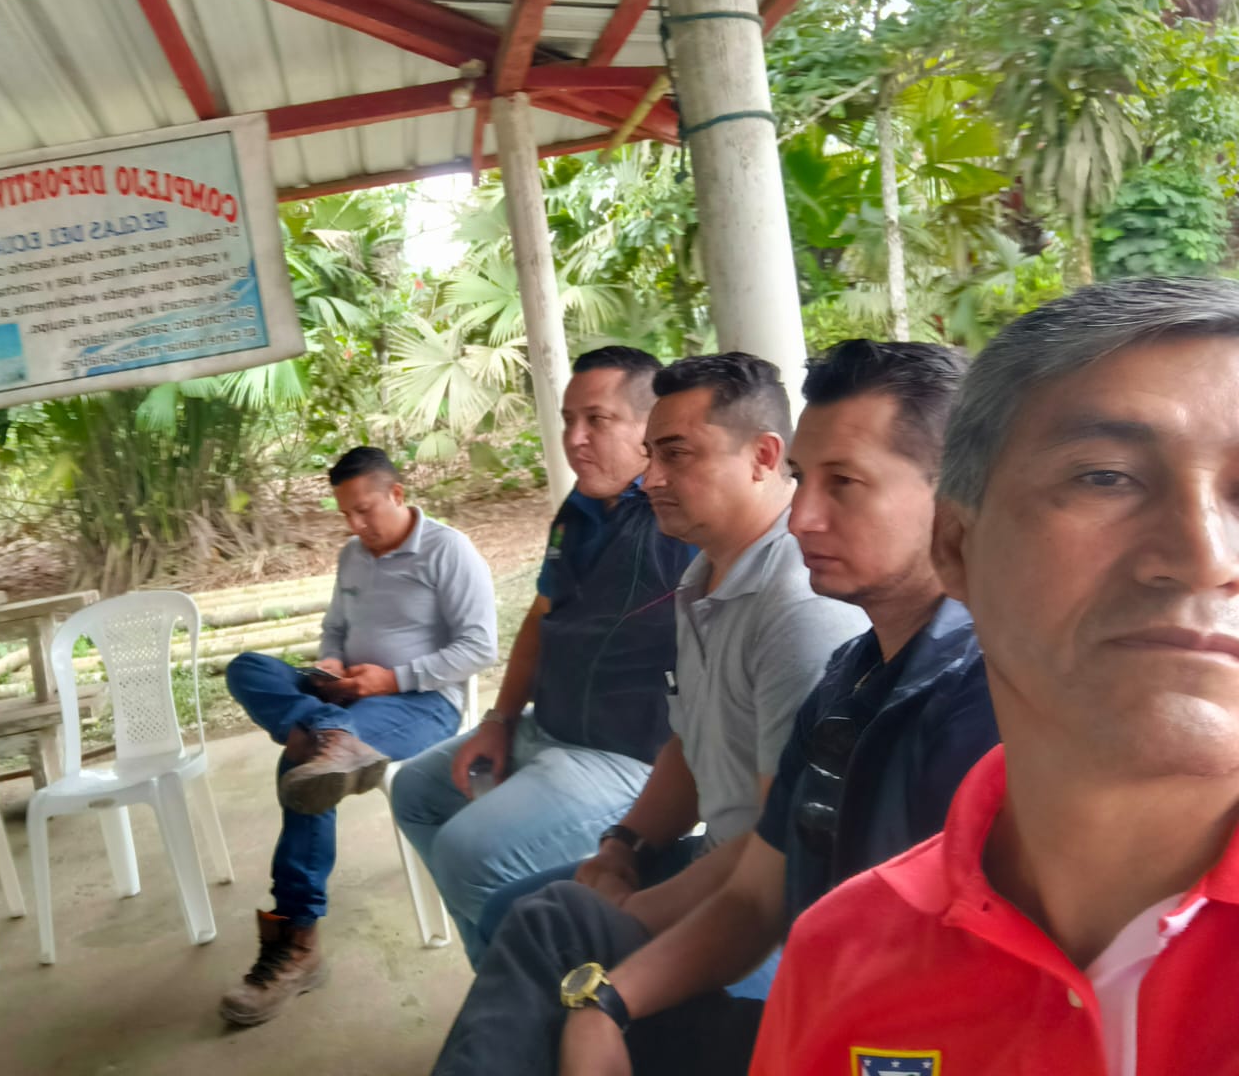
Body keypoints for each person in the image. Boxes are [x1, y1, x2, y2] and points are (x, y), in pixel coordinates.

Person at [436, 340, 999, 1076]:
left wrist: (625, 936)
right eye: (805, 480)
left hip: (880, 1042)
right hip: (817, 998)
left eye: (845, 483)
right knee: (557, 929)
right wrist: (608, 997)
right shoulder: (847, 678)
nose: (802, 518)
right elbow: (760, 891)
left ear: (955, 498)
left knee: (545, 942)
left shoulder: (987, 707)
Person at [752, 278, 1239, 1074]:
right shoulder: (842, 956)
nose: (1206, 555)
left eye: (843, 481)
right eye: (1106, 477)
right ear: (956, 547)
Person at [391, 347, 695, 965]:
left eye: (597, 420)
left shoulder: (680, 519)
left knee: (468, 853)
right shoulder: (581, 509)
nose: (574, 440)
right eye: (568, 420)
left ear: (651, 429)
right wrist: (499, 720)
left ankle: (534, 989)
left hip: (626, 757)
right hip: (547, 729)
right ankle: (505, 975)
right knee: (416, 792)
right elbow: (541, 616)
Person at [220, 446, 497, 1027]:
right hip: (345, 698)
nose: (354, 525)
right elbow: (335, 628)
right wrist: (330, 664)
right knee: (248, 667)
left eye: (365, 510)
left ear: (397, 494)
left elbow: (480, 647)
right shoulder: (352, 555)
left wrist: (392, 679)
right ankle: (328, 732)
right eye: (345, 513)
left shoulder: (448, 550)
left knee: (303, 770)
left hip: (421, 704)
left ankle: (297, 941)